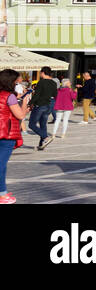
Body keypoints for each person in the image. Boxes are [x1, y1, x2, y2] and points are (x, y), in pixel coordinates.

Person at [0, 70, 31, 204]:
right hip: (6, 134)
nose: (17, 83)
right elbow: (20, 116)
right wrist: (25, 102)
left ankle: (3, 191)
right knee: (1, 165)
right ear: (10, 82)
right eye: (16, 81)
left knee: (2, 165)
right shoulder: (9, 96)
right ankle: (2, 196)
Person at [27, 66, 57, 149]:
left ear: (43, 73)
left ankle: (45, 137)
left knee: (32, 124)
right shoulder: (53, 83)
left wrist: (30, 103)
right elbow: (55, 95)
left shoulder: (41, 82)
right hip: (48, 105)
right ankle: (41, 144)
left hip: (40, 105)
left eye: (40, 72)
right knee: (43, 125)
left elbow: (37, 95)